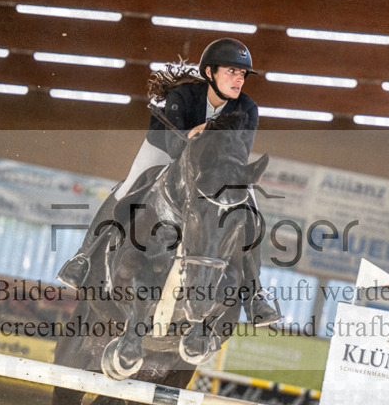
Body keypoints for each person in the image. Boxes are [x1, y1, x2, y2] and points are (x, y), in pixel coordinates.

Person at [56, 37, 281, 326]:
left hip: (216, 168)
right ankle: (83, 257)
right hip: (163, 149)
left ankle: (254, 293)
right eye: (231, 71)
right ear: (209, 73)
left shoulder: (248, 108)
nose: (239, 79)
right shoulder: (185, 95)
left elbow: (238, 154)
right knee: (128, 187)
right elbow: (176, 151)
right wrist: (200, 135)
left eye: (242, 74)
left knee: (248, 207)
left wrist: (210, 136)